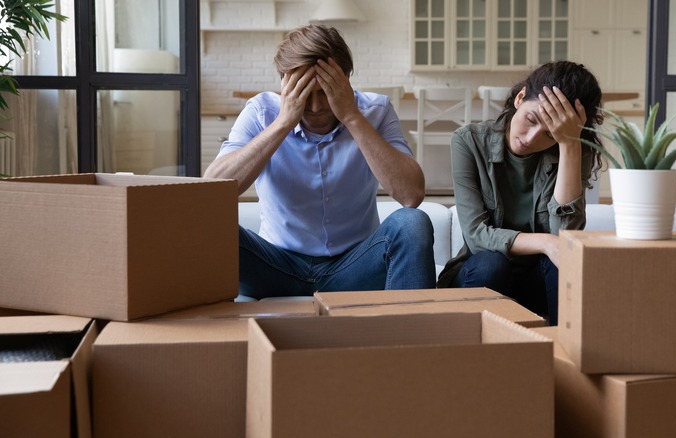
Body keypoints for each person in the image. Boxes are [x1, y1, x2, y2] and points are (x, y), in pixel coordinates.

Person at [204, 24, 436, 299]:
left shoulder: (376, 110)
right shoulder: (261, 112)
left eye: (325, 91)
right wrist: (283, 122)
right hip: (275, 266)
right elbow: (212, 189)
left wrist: (351, 116)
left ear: (345, 81)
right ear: (285, 84)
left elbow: (412, 195)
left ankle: (410, 327)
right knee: (206, 225)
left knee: (412, 223)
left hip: (354, 267)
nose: (315, 107)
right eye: (304, 93)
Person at [436, 61, 604, 326]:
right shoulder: (469, 141)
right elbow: (477, 235)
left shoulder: (571, 152)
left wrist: (569, 145)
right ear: (520, 97)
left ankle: (564, 349)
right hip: (481, 276)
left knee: (563, 262)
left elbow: (565, 235)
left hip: (537, 282)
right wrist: (545, 243)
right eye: (531, 120)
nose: (531, 138)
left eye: (550, 134)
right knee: (492, 264)